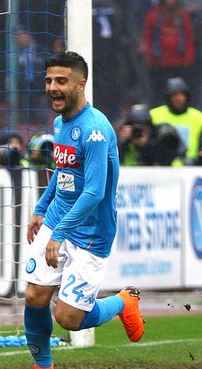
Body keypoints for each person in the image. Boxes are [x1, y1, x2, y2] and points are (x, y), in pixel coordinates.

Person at [24, 52, 144, 369]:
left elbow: (94, 192)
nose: (52, 87)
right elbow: (64, 171)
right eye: (49, 80)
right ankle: (43, 365)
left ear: (81, 84)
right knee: (35, 295)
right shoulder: (60, 122)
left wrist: (59, 235)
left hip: (91, 233)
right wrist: (40, 208)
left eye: (61, 81)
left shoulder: (96, 129)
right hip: (57, 220)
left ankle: (123, 302)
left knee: (68, 318)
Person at [149, 77, 202, 165]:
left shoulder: (198, 117)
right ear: (168, 97)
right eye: (174, 95)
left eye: (181, 95)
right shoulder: (154, 115)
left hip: (190, 169)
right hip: (161, 168)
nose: (178, 98)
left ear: (186, 97)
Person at [118, 103, 184, 166]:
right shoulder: (124, 141)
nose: (139, 130)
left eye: (144, 125)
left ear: (150, 127)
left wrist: (146, 146)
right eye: (135, 125)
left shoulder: (159, 140)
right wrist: (121, 142)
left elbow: (163, 161)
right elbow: (113, 159)